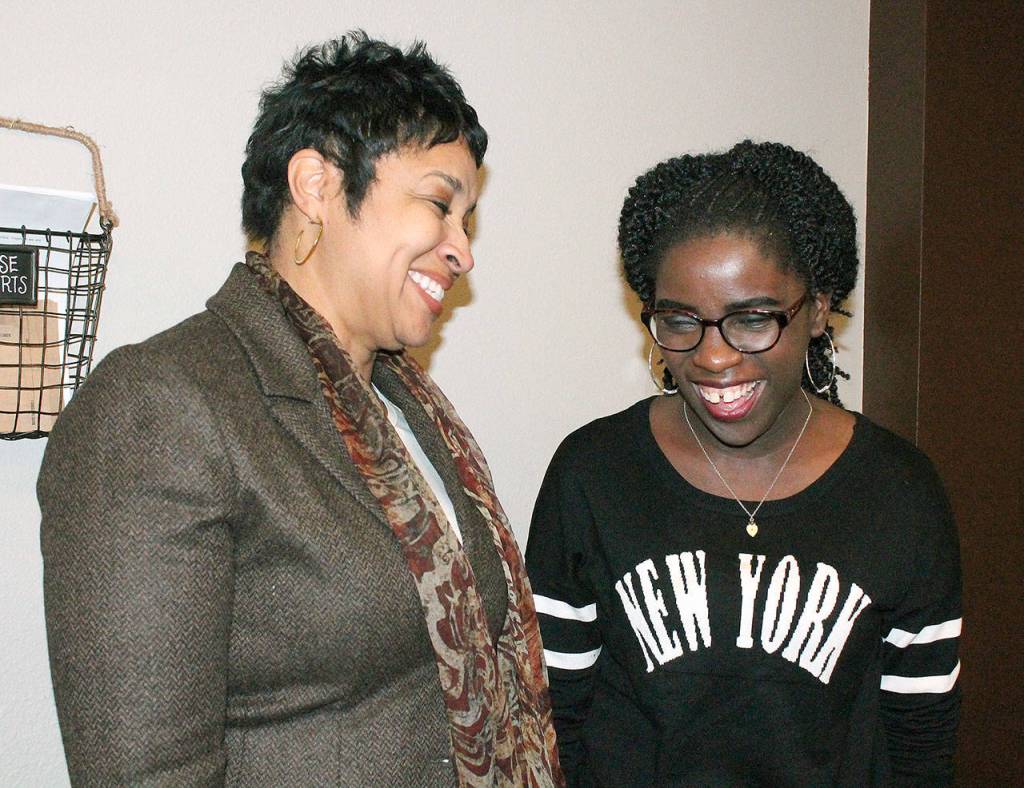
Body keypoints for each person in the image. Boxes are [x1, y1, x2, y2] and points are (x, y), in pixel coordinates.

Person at [39, 32, 561, 787]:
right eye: (439, 205)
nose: (462, 250)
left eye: (467, 222)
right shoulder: (160, 406)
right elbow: (145, 773)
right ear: (316, 184)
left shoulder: (406, 408)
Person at [525, 140, 961, 786]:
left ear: (816, 310)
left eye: (752, 320)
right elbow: (552, 718)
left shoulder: (900, 493)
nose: (714, 357)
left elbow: (920, 744)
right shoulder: (593, 476)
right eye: (680, 320)